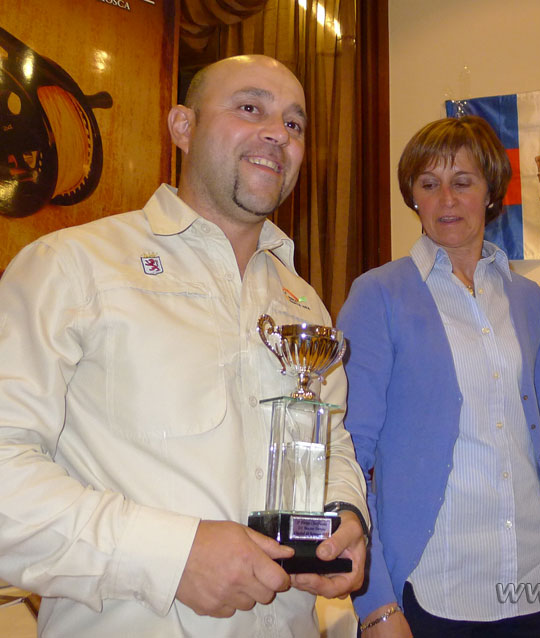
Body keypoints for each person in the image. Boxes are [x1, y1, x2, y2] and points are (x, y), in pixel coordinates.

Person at [0, 54, 368, 637]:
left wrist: (346, 513)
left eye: (294, 124)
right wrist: (172, 556)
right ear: (182, 127)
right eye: (250, 108)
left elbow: (332, 443)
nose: (277, 132)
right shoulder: (71, 267)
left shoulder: (303, 303)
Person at [337, 116, 540, 638]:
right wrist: (374, 603)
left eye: (462, 182)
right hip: (434, 587)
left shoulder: (526, 299)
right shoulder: (379, 295)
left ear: (490, 192)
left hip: (535, 580)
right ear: (412, 196)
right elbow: (350, 454)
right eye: (428, 183)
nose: (445, 199)